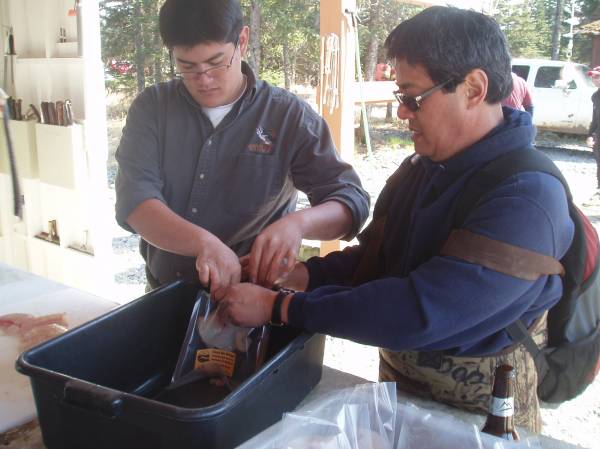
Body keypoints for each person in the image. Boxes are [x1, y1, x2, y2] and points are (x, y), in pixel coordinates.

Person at [217, 6, 574, 433]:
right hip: (401, 390)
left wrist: (279, 307)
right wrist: (299, 276)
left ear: (474, 88)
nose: (402, 113)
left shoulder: (527, 198)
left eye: (412, 97)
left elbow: (420, 311)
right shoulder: (423, 168)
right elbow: (377, 259)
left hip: (484, 411)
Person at [114, 0, 370, 295]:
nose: (204, 79)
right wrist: (203, 244)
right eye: (187, 66)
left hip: (257, 299)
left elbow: (352, 202)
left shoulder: (287, 116)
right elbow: (136, 201)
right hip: (165, 294)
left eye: (216, 62)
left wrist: (298, 225)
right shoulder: (152, 108)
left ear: (243, 41)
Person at [585, 66, 600, 204]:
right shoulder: (595, 96)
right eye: (593, 77)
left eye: (597, 76)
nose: (594, 79)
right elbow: (595, 118)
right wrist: (590, 135)